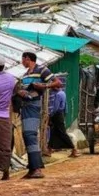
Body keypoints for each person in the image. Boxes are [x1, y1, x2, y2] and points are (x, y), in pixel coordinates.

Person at [17, 51, 60, 179]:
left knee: (30, 135)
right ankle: (32, 168)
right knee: (27, 135)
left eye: (23, 59)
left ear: (27, 59)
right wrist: (21, 92)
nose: (22, 62)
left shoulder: (42, 70)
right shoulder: (25, 75)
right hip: (25, 105)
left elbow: (57, 83)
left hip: (34, 105)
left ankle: (36, 168)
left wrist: (44, 85)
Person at [47, 81, 80, 158]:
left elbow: (55, 107)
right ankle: (49, 149)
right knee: (53, 132)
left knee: (62, 132)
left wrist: (50, 115)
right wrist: (65, 113)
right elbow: (66, 105)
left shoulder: (58, 95)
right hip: (60, 114)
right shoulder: (63, 93)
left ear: (55, 87)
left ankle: (74, 149)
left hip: (57, 115)